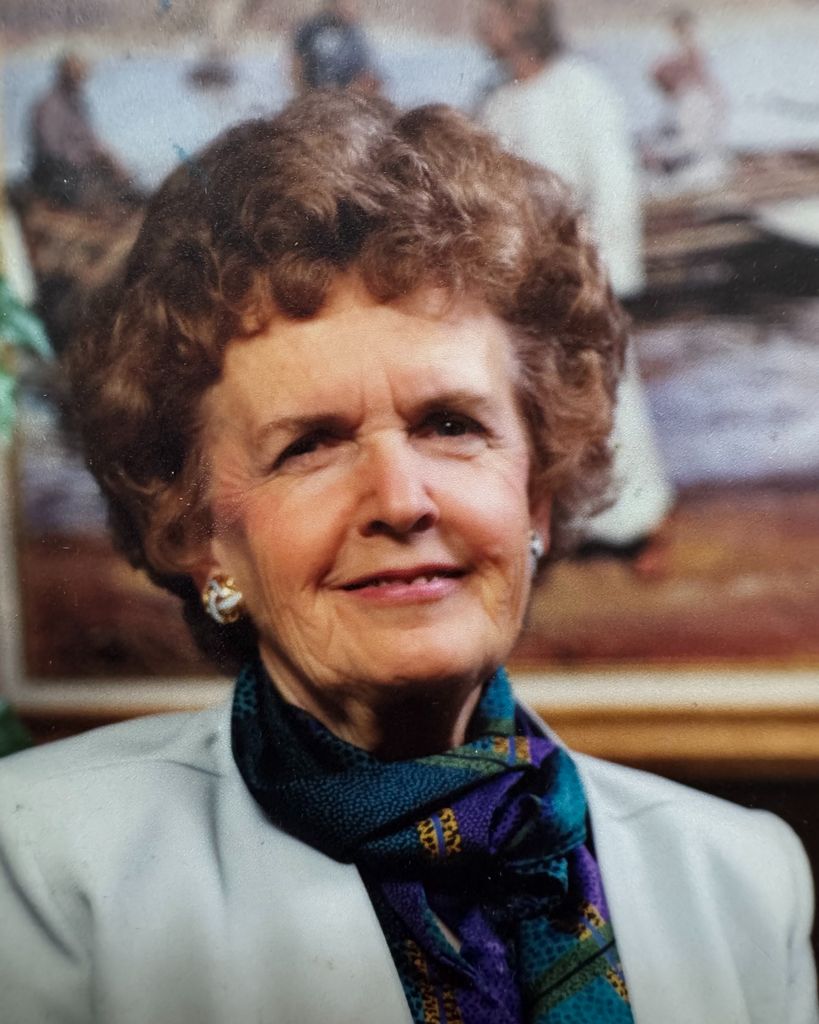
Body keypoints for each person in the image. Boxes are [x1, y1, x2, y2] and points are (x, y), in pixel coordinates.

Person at [0, 91, 815, 1023]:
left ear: (537, 490)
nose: (399, 500)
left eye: (450, 425)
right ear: (199, 537)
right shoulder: (42, 867)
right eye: (309, 445)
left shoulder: (742, 882)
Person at [478, 0, 675, 560]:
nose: (482, 26)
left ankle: (642, 522)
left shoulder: (582, 88)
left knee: (611, 395)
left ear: (522, 21)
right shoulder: (496, 101)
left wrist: (608, 276)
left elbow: (614, 187)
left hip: (584, 269)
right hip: (527, 278)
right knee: (541, 402)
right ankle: (573, 524)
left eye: (493, 14)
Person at [28, 54, 139, 209]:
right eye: (77, 75)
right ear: (65, 76)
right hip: (58, 171)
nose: (82, 80)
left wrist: (105, 156)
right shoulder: (48, 106)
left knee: (124, 180)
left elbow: (90, 139)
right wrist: (87, 156)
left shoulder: (77, 104)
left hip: (78, 165)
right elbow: (51, 149)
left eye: (82, 76)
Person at [644, 10, 729, 195]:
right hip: (688, 163)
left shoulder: (695, 99)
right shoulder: (680, 101)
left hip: (699, 170)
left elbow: (693, 144)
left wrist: (656, 152)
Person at [292, 0, 380, 94]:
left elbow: (365, 74)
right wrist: (306, 94)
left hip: (346, 95)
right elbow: (297, 66)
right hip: (316, 93)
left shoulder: (356, 35)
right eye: (347, 3)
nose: (351, 7)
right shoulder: (312, 28)